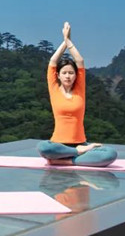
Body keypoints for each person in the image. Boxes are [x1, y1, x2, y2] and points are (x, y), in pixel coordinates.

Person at [37, 22, 118, 166]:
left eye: (71, 73)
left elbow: (80, 61)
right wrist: (64, 41)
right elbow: (53, 61)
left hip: (81, 143)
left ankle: (66, 161)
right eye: (64, 73)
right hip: (59, 145)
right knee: (43, 147)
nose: (68, 76)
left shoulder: (79, 89)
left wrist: (69, 41)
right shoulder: (54, 88)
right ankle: (76, 155)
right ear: (58, 75)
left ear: (75, 75)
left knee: (110, 154)